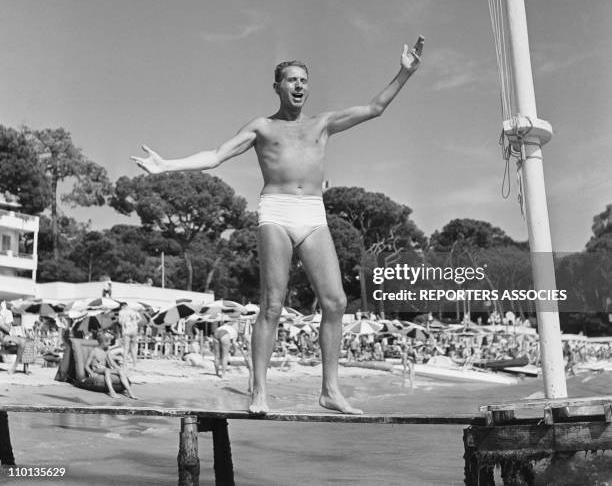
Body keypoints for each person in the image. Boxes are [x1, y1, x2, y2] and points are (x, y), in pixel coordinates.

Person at [131, 39, 424, 414]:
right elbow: (216, 156)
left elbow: (375, 108)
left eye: (303, 80)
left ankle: (330, 391)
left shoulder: (324, 124)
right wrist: (166, 165)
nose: (299, 86)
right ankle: (259, 392)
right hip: (277, 211)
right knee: (272, 303)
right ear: (277, 87)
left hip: (313, 213)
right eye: (291, 80)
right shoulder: (262, 128)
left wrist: (406, 71)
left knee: (335, 301)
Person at [85, 332, 138, 399]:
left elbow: (112, 362)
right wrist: (91, 372)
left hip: (104, 369)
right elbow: (86, 365)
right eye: (108, 342)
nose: (110, 344)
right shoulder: (94, 351)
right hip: (97, 370)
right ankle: (111, 391)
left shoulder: (106, 350)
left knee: (120, 371)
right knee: (107, 370)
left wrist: (118, 368)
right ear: (103, 343)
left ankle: (130, 392)